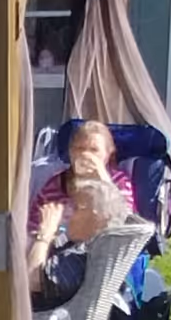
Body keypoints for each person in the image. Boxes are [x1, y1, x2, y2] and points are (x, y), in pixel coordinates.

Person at [27, 121, 132, 306]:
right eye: (79, 148)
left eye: (94, 150)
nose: (85, 155)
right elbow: (33, 227)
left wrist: (103, 180)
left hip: (90, 258)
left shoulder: (118, 182)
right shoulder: (55, 184)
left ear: (108, 154)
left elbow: (125, 221)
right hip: (54, 249)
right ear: (70, 152)